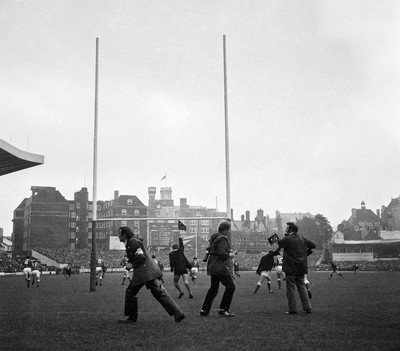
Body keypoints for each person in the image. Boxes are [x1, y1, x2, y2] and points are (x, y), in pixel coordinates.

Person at [117, 226, 185, 324]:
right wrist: (129, 266)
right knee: (158, 292)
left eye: (120, 234)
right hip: (148, 271)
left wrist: (131, 266)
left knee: (130, 292)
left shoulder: (132, 242)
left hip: (144, 272)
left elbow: (140, 257)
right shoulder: (131, 243)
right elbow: (136, 257)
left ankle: (132, 318)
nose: (119, 236)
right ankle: (178, 313)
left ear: (125, 234)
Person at [274, 222, 316, 315]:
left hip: (291, 268)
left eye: (287, 229)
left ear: (291, 230)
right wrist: (306, 254)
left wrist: (282, 237)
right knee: (302, 287)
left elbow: (280, 243)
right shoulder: (303, 238)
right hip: (301, 267)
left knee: (291, 289)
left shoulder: (288, 239)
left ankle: (292, 309)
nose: (286, 230)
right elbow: (313, 246)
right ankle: (307, 307)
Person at [200, 221, 236, 317]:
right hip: (219, 266)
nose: (229, 232)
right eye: (228, 230)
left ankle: (204, 310)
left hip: (212, 266)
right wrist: (230, 255)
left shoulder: (214, 237)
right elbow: (221, 253)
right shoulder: (223, 239)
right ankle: (223, 309)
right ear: (225, 230)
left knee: (213, 289)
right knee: (231, 286)